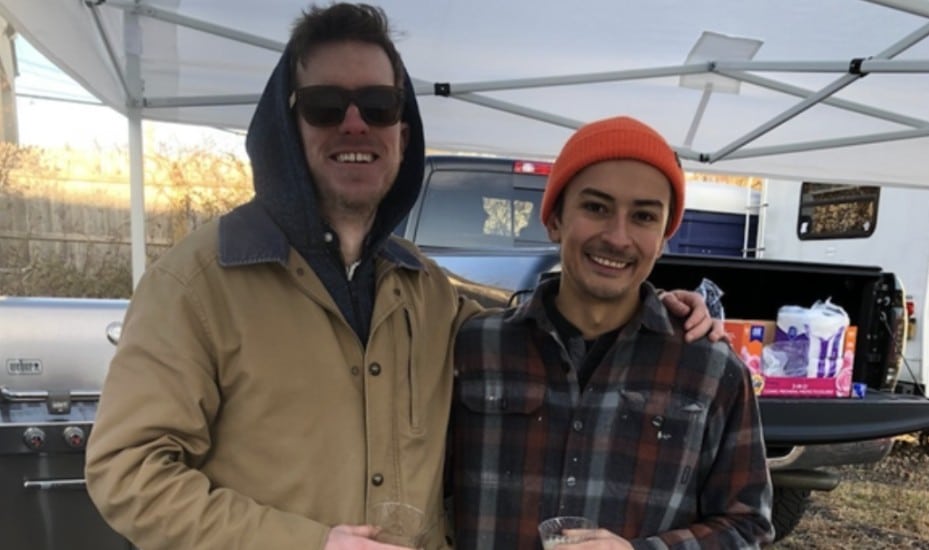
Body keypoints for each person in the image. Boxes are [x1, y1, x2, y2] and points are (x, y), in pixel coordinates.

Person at [84, 4, 719, 550]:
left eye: (379, 105)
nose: (354, 124)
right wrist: (308, 544)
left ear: (402, 130)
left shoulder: (428, 291)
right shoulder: (199, 283)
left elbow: (551, 322)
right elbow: (128, 471)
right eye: (326, 106)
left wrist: (655, 305)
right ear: (288, 124)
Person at [451, 116, 774, 549]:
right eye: (596, 207)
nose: (618, 237)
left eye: (643, 216)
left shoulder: (711, 369)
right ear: (554, 220)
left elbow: (748, 526)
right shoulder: (474, 349)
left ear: (662, 239)